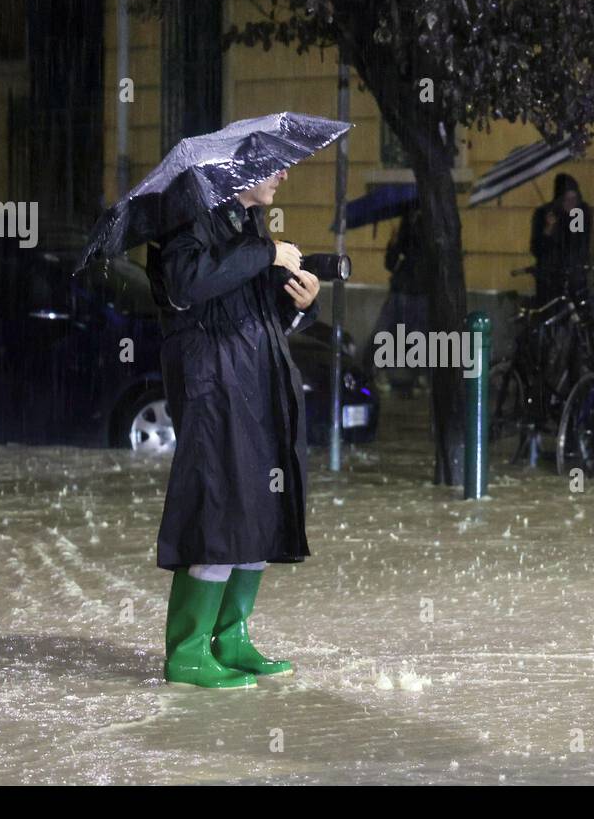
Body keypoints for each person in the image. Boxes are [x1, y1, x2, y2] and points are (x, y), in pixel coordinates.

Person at [144, 168, 321, 690]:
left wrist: (301, 302)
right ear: (238, 171)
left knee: (260, 510)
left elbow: (258, 312)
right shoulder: (188, 222)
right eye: (271, 165)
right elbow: (186, 285)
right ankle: (188, 652)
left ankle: (231, 637)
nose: (284, 173)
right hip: (213, 390)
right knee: (218, 510)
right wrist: (265, 254)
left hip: (259, 385)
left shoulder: (249, 225)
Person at [362, 207, 429, 395]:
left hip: (417, 290)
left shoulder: (428, 225)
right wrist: (393, 242)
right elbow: (391, 263)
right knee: (389, 330)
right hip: (403, 289)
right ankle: (379, 370)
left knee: (417, 333)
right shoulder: (406, 225)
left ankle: (421, 375)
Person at [529, 173, 590, 306]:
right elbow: (536, 248)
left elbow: (579, 244)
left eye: (574, 199)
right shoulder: (543, 213)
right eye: (567, 200)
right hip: (549, 279)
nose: (571, 204)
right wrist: (549, 229)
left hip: (573, 278)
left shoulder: (578, 213)